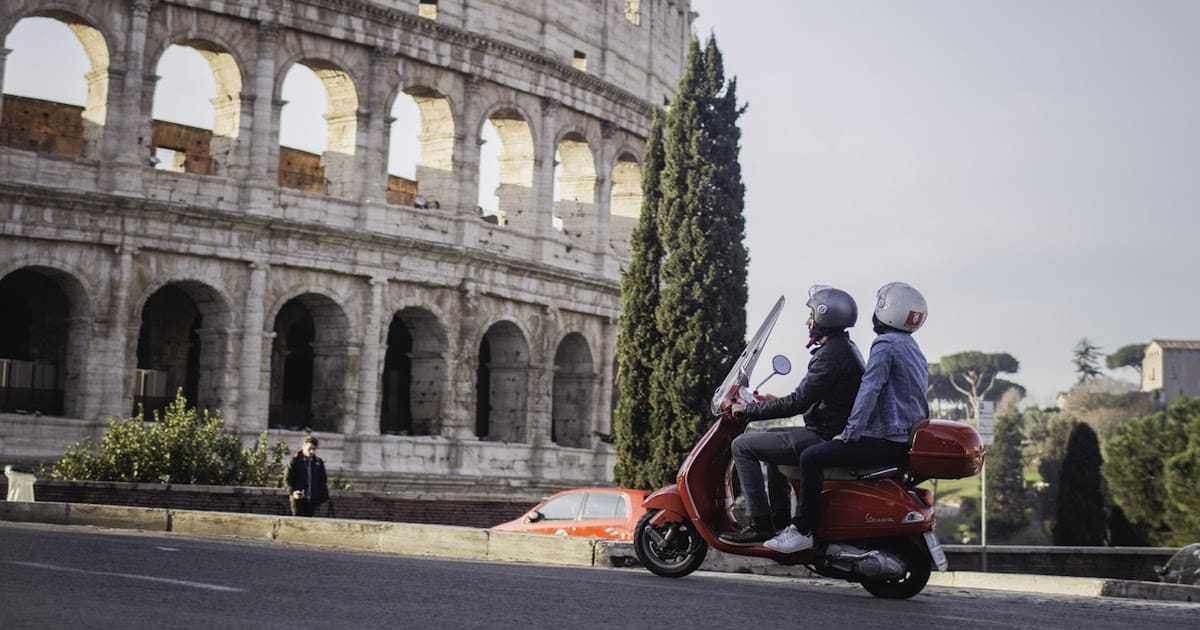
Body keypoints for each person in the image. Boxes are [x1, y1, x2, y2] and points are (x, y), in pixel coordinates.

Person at [764, 282, 929, 554]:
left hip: (886, 440)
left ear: (887, 312)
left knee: (811, 457)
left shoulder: (884, 345)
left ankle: (802, 529)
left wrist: (850, 433)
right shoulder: (911, 347)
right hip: (902, 440)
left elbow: (870, 390)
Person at [718, 285, 865, 546]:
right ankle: (780, 522)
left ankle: (760, 524)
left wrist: (749, 410)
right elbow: (817, 398)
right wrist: (772, 402)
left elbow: (798, 402)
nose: (808, 321)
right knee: (772, 443)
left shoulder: (831, 355)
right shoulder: (844, 349)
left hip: (823, 437)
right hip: (829, 431)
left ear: (824, 316)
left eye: (811, 315)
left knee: (742, 445)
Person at [285, 435, 329, 517]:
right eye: (310, 448)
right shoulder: (295, 461)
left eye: (314, 449)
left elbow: (323, 480)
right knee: (298, 521)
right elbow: (288, 479)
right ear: (304, 446)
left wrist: (320, 496)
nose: (312, 451)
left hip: (312, 500)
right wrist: (293, 492)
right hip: (298, 499)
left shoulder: (318, 462)